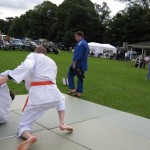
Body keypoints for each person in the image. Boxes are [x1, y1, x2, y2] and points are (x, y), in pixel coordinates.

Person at [0, 46, 73, 150]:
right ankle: (62, 123)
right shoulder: (52, 62)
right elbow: (40, 77)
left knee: (24, 126)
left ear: (35, 51)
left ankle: (30, 137)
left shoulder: (33, 56)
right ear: (45, 54)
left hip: (38, 96)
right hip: (54, 93)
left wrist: (5, 78)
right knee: (61, 99)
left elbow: (28, 67)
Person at [67, 31, 89, 97]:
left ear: (80, 36)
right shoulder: (85, 43)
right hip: (83, 64)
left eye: (76, 37)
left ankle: (73, 88)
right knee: (80, 77)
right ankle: (78, 93)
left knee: (70, 74)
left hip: (78, 63)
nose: (75, 38)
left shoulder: (80, 43)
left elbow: (78, 54)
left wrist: (74, 62)